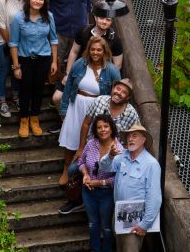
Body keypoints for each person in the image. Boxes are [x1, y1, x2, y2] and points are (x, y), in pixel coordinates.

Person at [58, 78, 140, 214]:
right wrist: (80, 148)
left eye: (124, 92)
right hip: (92, 149)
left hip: (114, 156)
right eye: (118, 89)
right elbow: (85, 124)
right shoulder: (100, 100)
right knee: (73, 169)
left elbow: (136, 137)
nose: (119, 93)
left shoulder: (131, 113)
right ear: (113, 88)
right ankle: (77, 200)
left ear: (128, 97)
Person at [58, 37, 120, 186]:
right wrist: (64, 107)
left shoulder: (111, 69)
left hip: (97, 108)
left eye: (99, 49)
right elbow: (69, 86)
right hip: (77, 104)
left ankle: (85, 172)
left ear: (104, 51)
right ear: (88, 50)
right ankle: (66, 168)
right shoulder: (80, 64)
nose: (95, 52)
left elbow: (118, 89)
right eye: (93, 49)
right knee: (71, 136)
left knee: (92, 139)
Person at [100, 124, 161, 252]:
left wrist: (145, 224)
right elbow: (103, 167)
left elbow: (155, 197)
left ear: (144, 139)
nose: (130, 139)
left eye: (135, 135)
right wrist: (110, 156)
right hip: (119, 213)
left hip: (136, 219)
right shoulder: (122, 156)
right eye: (128, 136)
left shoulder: (151, 164)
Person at [9, 0, 58, 138]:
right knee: (25, 90)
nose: (37, 1)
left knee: (38, 90)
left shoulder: (48, 16)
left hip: (44, 59)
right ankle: (24, 120)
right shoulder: (18, 18)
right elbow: (13, 43)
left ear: (44, 2)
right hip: (25, 60)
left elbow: (54, 40)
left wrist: (54, 61)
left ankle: (35, 119)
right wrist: (16, 66)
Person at [51, 9, 123, 109]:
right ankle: (67, 120)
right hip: (79, 71)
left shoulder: (114, 40)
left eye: (108, 19)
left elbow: (117, 65)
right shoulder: (84, 31)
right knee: (57, 98)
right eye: (102, 18)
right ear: (95, 18)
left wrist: (105, 79)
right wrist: (68, 73)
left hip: (100, 76)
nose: (104, 22)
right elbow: (74, 52)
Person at [77, 115, 123, 252]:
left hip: (106, 194)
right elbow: (81, 162)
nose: (102, 130)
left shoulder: (119, 150)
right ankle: (95, 250)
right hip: (88, 191)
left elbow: (119, 178)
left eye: (106, 126)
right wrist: (85, 175)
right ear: (95, 130)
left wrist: (99, 182)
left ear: (111, 128)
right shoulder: (91, 144)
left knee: (106, 226)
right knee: (92, 223)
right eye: (99, 127)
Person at [0, 0, 33, 118]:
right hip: (4, 41)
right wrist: (11, 45)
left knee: (18, 69)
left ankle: (16, 97)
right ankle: (2, 101)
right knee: (4, 69)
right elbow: (1, 25)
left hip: (21, 41)